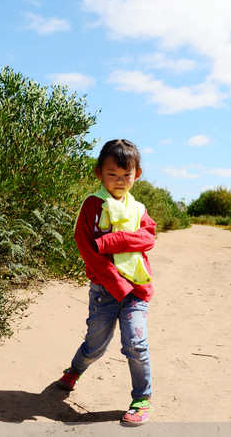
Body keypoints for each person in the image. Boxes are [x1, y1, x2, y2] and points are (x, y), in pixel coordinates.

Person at [58, 139, 157, 426]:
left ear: (137, 175)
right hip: (105, 290)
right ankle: (75, 370)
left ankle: (142, 398)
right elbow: (87, 247)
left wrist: (112, 240)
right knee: (95, 344)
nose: (119, 181)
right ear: (99, 172)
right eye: (112, 174)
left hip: (137, 289)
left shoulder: (138, 208)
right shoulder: (94, 204)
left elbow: (148, 238)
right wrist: (116, 282)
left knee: (136, 343)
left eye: (126, 175)